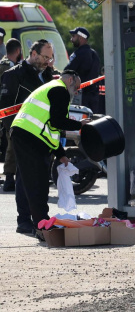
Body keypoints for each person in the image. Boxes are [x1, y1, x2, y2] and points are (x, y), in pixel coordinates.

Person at [12, 70, 85, 240]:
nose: (77, 91)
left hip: (25, 134)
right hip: (30, 138)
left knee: (27, 181)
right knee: (38, 183)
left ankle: (26, 222)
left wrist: (61, 155)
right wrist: (80, 124)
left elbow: (51, 129)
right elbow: (57, 121)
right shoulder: (60, 90)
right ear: (70, 79)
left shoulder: (50, 88)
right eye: (77, 87)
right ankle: (42, 226)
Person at [0, 40, 55, 196]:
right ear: (34, 54)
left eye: (50, 58)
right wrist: (13, 129)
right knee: (15, 153)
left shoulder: (47, 74)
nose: (48, 62)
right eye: (45, 57)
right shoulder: (13, 74)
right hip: (21, 128)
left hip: (43, 128)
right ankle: (10, 178)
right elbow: (6, 106)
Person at [66, 27, 101, 112]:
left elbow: (67, 72)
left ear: (81, 38)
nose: (71, 39)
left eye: (73, 36)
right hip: (94, 97)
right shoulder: (95, 54)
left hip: (80, 97)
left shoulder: (78, 54)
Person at [0, 38, 22, 166]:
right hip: (6, 108)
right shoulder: (10, 67)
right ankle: (9, 177)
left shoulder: (2, 63)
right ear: (18, 50)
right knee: (10, 140)